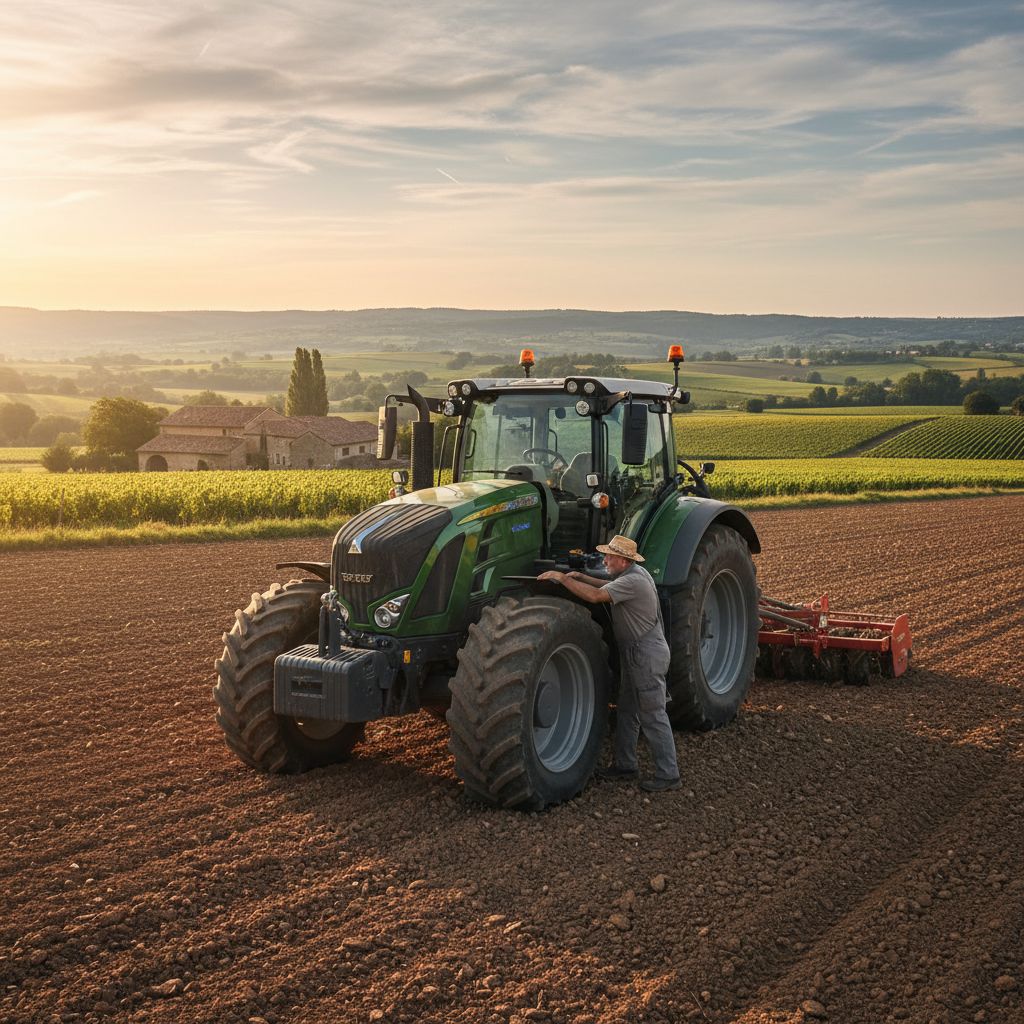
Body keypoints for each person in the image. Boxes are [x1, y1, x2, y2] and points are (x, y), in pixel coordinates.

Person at [538, 535, 681, 792]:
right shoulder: (634, 574)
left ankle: (669, 774)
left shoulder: (634, 581)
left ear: (624, 561)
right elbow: (604, 584)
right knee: (627, 710)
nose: (604, 560)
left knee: (653, 715)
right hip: (637, 654)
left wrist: (562, 579)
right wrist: (579, 577)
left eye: (609, 557)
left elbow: (595, 596)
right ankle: (626, 764)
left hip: (645, 655)